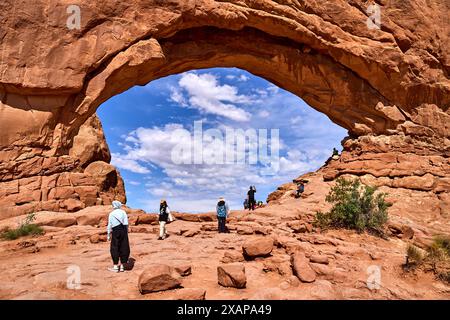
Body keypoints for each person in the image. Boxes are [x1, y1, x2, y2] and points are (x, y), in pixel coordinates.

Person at [107, 200, 130, 273]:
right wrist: (126, 232)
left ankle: (116, 267)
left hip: (115, 230)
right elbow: (126, 223)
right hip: (123, 230)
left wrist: (108, 234)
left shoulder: (111, 214)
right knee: (124, 246)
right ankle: (122, 266)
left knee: (114, 247)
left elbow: (109, 225)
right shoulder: (123, 212)